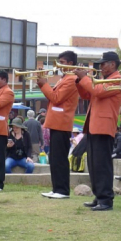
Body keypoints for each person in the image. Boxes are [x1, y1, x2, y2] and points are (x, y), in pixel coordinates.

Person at [75, 51, 121, 211]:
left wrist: (84, 78)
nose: (100, 67)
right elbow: (86, 94)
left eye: (103, 64)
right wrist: (79, 80)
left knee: (102, 165)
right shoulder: (103, 80)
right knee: (94, 164)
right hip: (94, 126)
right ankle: (99, 196)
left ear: (113, 64)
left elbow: (98, 92)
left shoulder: (118, 79)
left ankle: (106, 199)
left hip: (104, 127)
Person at [38, 51, 80, 199]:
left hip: (62, 123)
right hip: (56, 122)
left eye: (62, 61)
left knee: (60, 158)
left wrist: (44, 84)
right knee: (54, 158)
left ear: (69, 63)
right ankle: (57, 188)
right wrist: (42, 84)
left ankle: (62, 190)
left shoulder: (71, 79)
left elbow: (56, 98)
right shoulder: (64, 79)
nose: (59, 64)